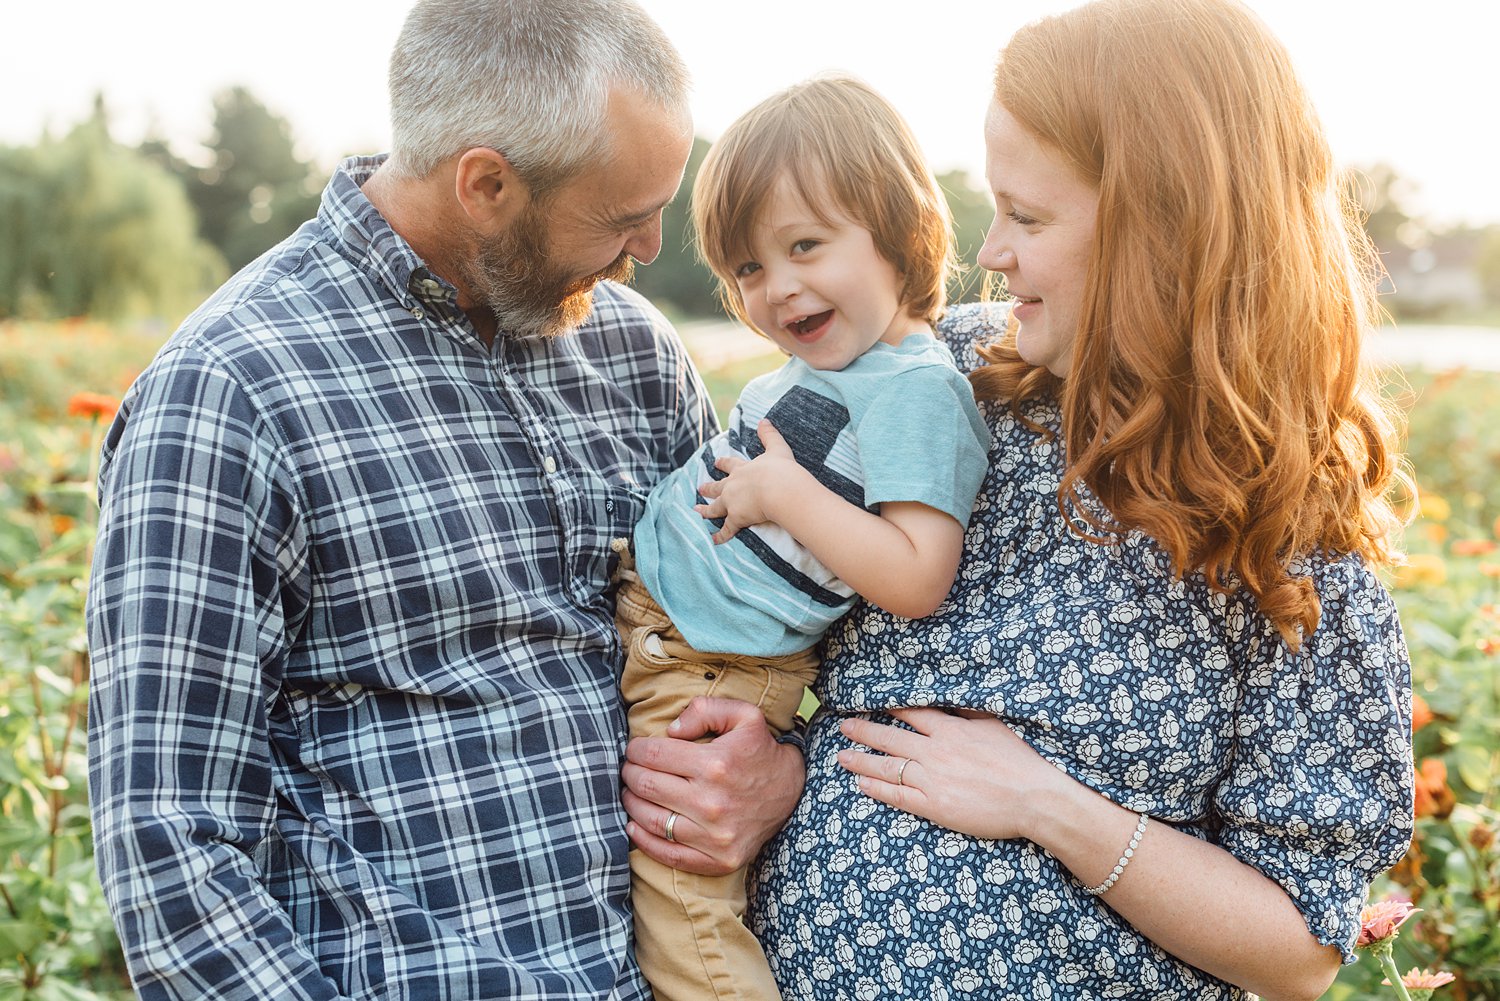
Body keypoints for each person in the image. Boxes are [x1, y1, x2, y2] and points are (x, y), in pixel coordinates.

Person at [84, 2, 806, 998]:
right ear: (486, 185)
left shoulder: (637, 356)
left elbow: (754, 627)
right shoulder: (230, 393)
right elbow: (174, 851)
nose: (647, 245)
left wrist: (780, 766)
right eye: (619, 214)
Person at [739, 2, 1415, 999]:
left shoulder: (1297, 531)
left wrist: (1048, 804)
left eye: (1030, 215)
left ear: (1165, 229)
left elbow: (1299, 947)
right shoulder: (938, 378)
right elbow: (754, 600)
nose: (991, 251)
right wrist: (762, 768)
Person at [615, 76, 989, 1001]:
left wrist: (784, 493)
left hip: (714, 664)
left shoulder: (918, 391)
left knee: (682, 904)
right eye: (747, 268)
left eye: (805, 246)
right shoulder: (849, 362)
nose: (777, 288)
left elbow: (916, 574)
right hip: (672, 624)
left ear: (898, 230)